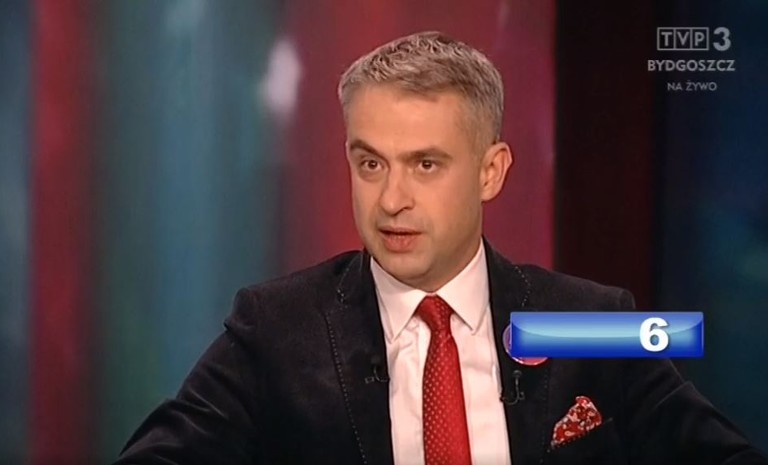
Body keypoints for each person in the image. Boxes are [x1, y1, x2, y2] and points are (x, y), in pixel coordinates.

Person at [114, 31, 766, 465]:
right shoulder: (278, 328)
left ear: (491, 171)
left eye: (425, 165)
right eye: (370, 164)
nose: (391, 199)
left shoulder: (588, 323)